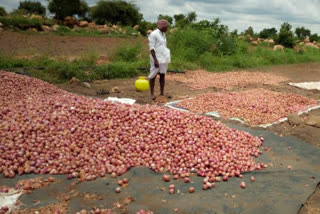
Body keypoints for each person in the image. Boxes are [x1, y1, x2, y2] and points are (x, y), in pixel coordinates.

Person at [148, 20, 171, 100]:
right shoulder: (153, 34)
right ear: (162, 27)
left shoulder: (163, 34)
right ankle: (152, 94)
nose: (167, 29)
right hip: (156, 57)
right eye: (166, 27)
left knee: (162, 74)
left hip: (163, 57)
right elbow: (152, 48)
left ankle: (161, 93)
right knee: (153, 75)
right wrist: (155, 60)